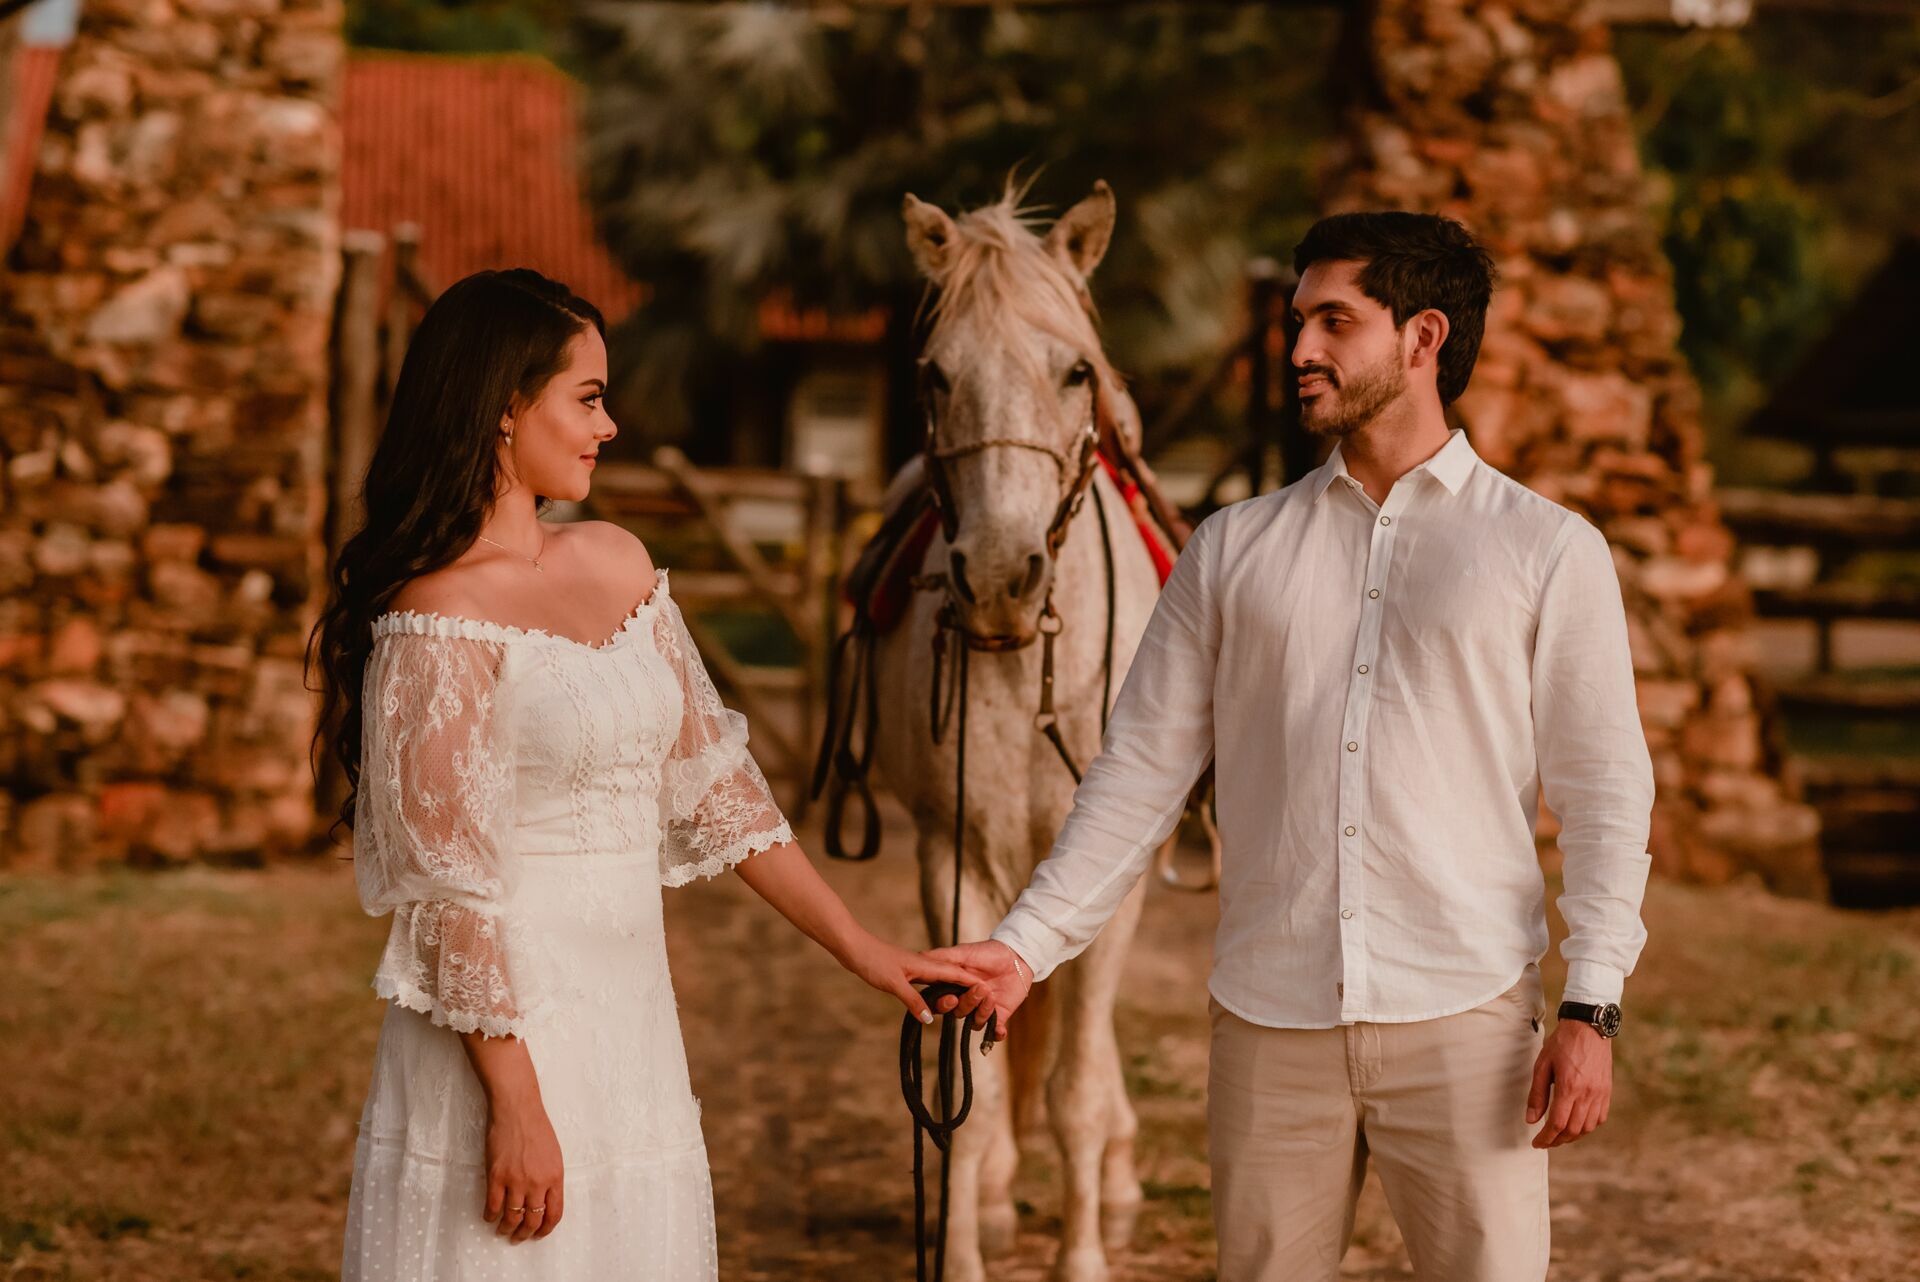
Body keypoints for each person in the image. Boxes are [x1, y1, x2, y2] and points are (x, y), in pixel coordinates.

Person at [930, 212, 1656, 1281]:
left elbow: (1604, 794)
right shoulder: (1231, 550)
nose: (1299, 349)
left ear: (1424, 338)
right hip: (1270, 1026)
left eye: (1333, 321)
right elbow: (1134, 779)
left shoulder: (1546, 549)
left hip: (1465, 1020)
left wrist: (1592, 1008)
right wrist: (1025, 946)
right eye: (1295, 320)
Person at [310, 268, 981, 1280]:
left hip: (629, 1026)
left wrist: (866, 949)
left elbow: (718, 787)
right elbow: (445, 891)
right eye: (586, 396)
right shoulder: (434, 617)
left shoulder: (619, 561)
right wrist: (518, 1105)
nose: (610, 425)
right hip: (503, 1037)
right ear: (503, 407)